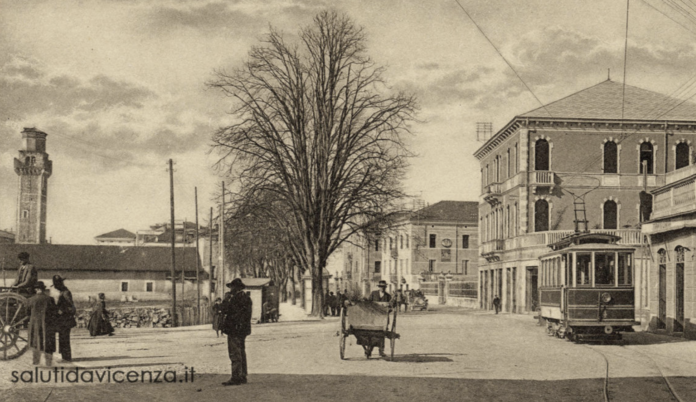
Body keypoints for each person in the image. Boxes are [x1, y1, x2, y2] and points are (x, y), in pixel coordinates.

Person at [220, 278, 252, 386]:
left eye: (232, 287)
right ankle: (242, 375)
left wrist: (226, 299)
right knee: (241, 352)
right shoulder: (246, 298)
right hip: (242, 330)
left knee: (234, 353)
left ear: (236, 288)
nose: (230, 289)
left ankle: (236, 377)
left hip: (234, 329)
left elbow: (225, 310)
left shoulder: (235, 299)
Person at [27, 282, 57, 366]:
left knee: (35, 342)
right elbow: (54, 312)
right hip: (48, 324)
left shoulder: (31, 299)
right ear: (43, 289)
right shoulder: (50, 299)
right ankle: (48, 363)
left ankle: (36, 362)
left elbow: (27, 313)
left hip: (35, 325)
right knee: (48, 342)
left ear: (36, 289)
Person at [50, 275, 76, 362]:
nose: (56, 287)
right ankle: (65, 356)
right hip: (62, 320)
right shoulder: (62, 292)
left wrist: (62, 311)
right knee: (62, 338)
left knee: (64, 338)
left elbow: (71, 307)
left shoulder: (66, 293)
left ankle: (67, 357)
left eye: (56, 285)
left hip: (65, 320)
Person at [368, 280, 392, 357]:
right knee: (371, 334)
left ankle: (381, 351)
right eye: (381, 287)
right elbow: (368, 303)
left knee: (382, 334)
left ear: (385, 287)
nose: (382, 288)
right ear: (379, 287)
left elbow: (391, 307)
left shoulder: (388, 296)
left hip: (383, 318)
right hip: (373, 316)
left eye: (383, 287)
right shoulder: (373, 293)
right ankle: (369, 350)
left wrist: (389, 309)